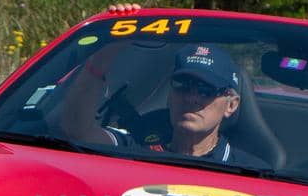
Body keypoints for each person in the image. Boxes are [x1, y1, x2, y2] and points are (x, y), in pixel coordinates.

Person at [58, 13, 265, 166]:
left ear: (231, 104)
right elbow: (76, 130)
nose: (192, 97)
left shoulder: (250, 171)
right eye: (183, 86)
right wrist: (105, 54)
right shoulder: (136, 146)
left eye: (206, 90)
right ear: (170, 95)